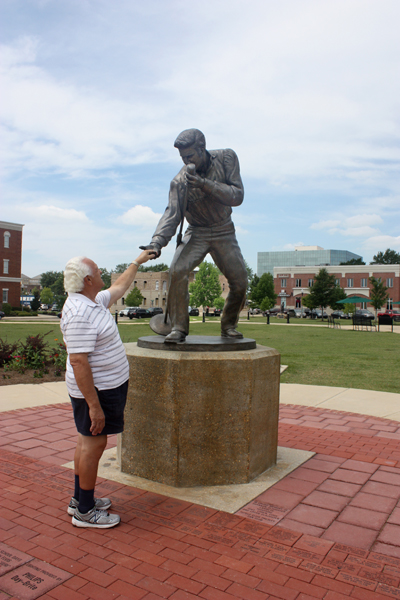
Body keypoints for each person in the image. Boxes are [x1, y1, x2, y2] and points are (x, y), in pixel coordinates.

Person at [61, 250, 154, 528]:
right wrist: (94, 406)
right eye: (99, 272)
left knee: (85, 441)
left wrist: (136, 263)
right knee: (93, 443)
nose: (103, 275)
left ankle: (80, 499)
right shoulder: (79, 312)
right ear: (88, 280)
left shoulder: (92, 301)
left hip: (105, 387)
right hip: (96, 391)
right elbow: (78, 361)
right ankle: (85, 513)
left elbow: (119, 287)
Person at [141, 128, 248, 343]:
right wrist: (157, 242)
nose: (186, 161)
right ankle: (178, 327)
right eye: (182, 157)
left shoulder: (227, 158)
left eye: (190, 156)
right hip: (197, 232)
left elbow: (237, 196)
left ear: (202, 149)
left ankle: (228, 326)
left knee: (240, 282)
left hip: (223, 230)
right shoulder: (179, 182)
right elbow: (172, 214)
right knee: (177, 271)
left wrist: (204, 185)